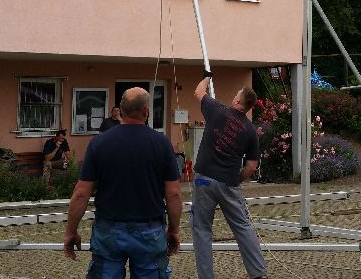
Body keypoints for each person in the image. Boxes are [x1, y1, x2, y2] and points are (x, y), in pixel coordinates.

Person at [63, 87, 182, 278]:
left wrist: (71, 231)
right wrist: (174, 230)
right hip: (149, 231)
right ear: (146, 111)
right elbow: (173, 193)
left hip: (108, 230)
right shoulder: (162, 144)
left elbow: (81, 193)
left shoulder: (99, 143)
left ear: (120, 110)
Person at [192, 77, 266, 279]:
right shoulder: (250, 130)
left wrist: (207, 77)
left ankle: (206, 276)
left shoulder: (217, 110)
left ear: (237, 101)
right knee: (242, 226)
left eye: (236, 95)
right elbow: (252, 166)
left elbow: (198, 92)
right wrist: (237, 180)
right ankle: (258, 273)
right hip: (228, 182)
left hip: (203, 178)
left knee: (201, 229)